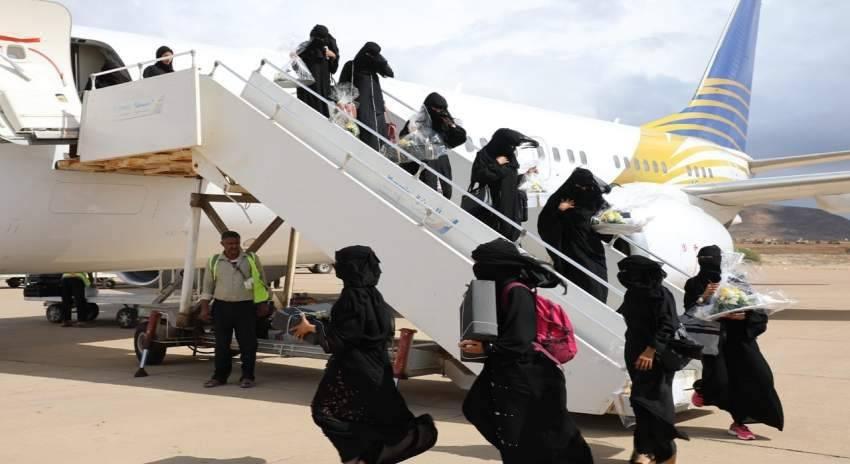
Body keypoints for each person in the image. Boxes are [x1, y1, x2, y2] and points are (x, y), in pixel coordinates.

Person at [293, 246, 437, 464]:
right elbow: (360, 331)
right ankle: (364, 455)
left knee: (325, 412)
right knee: (363, 414)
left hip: (352, 369)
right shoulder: (374, 296)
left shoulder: (351, 297)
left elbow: (339, 340)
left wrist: (311, 329)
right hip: (375, 367)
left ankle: (361, 455)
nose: (336, 267)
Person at [459, 239, 594, 464]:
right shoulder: (502, 289)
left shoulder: (516, 291)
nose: (477, 268)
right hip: (510, 370)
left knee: (544, 433)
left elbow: (520, 338)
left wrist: (487, 348)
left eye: (481, 263)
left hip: (530, 376)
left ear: (496, 265)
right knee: (484, 413)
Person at [684, 245, 784, 440]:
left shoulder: (734, 280)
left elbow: (754, 307)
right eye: (703, 260)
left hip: (740, 340)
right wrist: (704, 297)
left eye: (712, 260)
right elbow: (690, 312)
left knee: (760, 377)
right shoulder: (694, 283)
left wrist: (743, 316)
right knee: (721, 383)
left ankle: (735, 415)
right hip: (713, 343)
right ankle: (728, 412)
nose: (708, 264)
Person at [616, 256, 688, 464]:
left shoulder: (661, 295)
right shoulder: (633, 293)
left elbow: (668, 325)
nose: (624, 276)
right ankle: (643, 448)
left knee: (656, 404)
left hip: (655, 356)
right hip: (634, 353)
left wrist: (650, 350)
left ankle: (666, 452)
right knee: (641, 403)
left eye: (629, 272)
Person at [200, 231, 270, 389]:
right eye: (230, 244)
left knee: (248, 344)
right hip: (221, 307)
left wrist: (263, 303)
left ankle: (247, 377)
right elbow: (207, 287)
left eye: (236, 243)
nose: (234, 247)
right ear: (222, 244)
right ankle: (219, 377)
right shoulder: (214, 261)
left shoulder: (251, 259)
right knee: (221, 344)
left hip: (245, 307)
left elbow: (261, 282)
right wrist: (204, 308)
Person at [538, 168, 611, 303]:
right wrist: (560, 210)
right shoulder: (560, 198)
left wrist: (607, 224)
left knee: (598, 278)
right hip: (571, 246)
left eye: (586, 186)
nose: (582, 189)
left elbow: (602, 215)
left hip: (592, 247)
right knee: (583, 278)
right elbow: (545, 221)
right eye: (579, 186)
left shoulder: (593, 197)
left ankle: (599, 303)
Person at [469, 128, 538, 240]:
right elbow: (479, 176)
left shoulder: (510, 158)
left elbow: (509, 182)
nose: (512, 149)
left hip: (510, 207)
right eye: (510, 145)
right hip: (492, 207)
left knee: (510, 235)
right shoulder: (485, 155)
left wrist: (526, 175)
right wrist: (496, 164)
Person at [397, 92, 467, 199]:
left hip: (439, 169)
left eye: (441, 110)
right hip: (416, 168)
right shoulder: (415, 122)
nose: (439, 112)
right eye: (436, 109)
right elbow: (403, 141)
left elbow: (460, 138)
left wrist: (451, 123)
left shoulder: (443, 125)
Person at [339, 42, 394, 151]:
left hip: (378, 111)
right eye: (371, 54)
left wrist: (379, 59)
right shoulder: (351, 66)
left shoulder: (374, 67)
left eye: (376, 55)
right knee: (368, 141)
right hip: (360, 110)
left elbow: (390, 73)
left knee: (382, 144)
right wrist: (344, 104)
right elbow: (341, 86)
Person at [297, 25, 339, 117]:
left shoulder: (326, 52)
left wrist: (334, 56)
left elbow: (333, 69)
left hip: (322, 91)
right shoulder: (306, 48)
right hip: (308, 90)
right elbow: (296, 66)